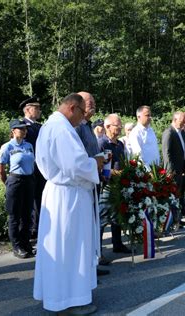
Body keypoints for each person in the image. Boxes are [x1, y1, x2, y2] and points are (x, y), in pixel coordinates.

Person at [33, 93, 104, 314]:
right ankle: (71, 300)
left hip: (60, 194)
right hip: (68, 197)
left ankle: (58, 295)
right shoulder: (62, 129)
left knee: (61, 247)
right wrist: (97, 162)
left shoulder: (50, 125)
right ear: (72, 107)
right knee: (71, 248)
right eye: (82, 113)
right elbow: (76, 165)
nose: (83, 119)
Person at [75, 92, 110, 273]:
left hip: (93, 177)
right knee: (88, 223)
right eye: (90, 102)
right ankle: (89, 264)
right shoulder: (78, 127)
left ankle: (94, 259)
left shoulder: (88, 125)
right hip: (83, 180)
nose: (93, 105)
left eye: (94, 102)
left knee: (93, 221)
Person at [0, 119, 35, 259]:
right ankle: (17, 246)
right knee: (14, 216)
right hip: (15, 181)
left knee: (27, 215)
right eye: (20, 128)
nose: (24, 131)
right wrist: (7, 183)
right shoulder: (7, 147)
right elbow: (0, 168)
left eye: (25, 128)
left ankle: (26, 244)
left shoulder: (29, 145)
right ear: (13, 131)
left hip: (29, 180)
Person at [99, 114, 131, 254]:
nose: (120, 128)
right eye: (117, 125)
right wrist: (113, 173)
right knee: (103, 218)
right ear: (107, 127)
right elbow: (100, 167)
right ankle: (97, 251)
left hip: (119, 184)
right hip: (106, 186)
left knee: (117, 215)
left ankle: (117, 244)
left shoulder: (120, 144)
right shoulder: (102, 143)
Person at [20, 96, 46, 239]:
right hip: (29, 170)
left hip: (41, 169)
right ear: (28, 109)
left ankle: (38, 228)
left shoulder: (40, 126)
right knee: (28, 201)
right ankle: (29, 231)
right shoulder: (22, 126)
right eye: (37, 108)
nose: (39, 111)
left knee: (40, 199)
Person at [162, 111, 185, 228]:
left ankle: (178, 218)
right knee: (171, 195)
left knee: (178, 194)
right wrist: (170, 171)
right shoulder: (169, 132)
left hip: (180, 169)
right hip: (172, 171)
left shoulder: (181, 132)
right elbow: (166, 153)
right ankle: (171, 220)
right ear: (175, 119)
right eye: (182, 120)